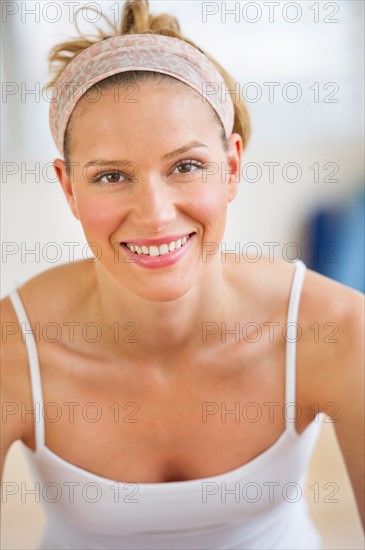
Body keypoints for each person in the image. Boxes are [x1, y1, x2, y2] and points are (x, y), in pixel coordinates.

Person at [1, 1, 364, 548]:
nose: (155, 213)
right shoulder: (13, 351)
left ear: (233, 167)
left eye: (186, 166)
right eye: (111, 176)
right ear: (69, 188)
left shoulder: (335, 328)